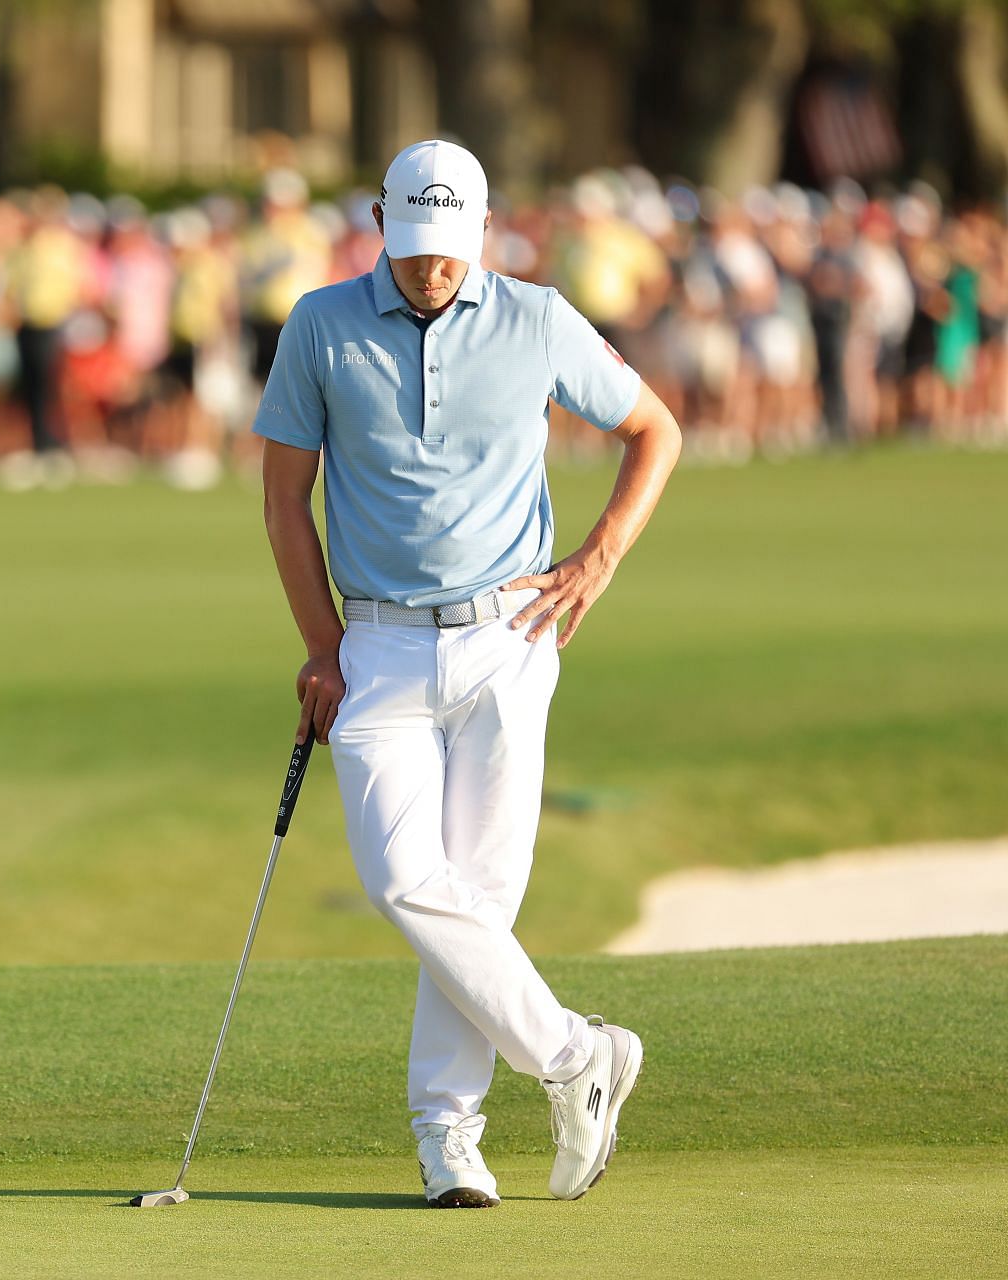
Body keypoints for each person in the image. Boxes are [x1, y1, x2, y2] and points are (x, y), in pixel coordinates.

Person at [254, 140, 681, 1209]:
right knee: (404, 878)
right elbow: (281, 499)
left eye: (447, 251)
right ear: (379, 222)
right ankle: (578, 1053)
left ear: (480, 231)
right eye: (411, 249)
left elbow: (653, 429)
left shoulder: (537, 318)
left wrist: (598, 559)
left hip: (508, 638)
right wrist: (320, 641)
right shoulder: (320, 323)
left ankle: (450, 1138)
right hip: (380, 645)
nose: (429, 270)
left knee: (479, 898)